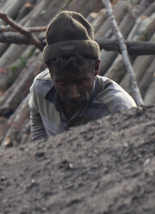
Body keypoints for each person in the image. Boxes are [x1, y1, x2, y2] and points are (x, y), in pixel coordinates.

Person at [29, 11, 136, 141]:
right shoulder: (41, 88)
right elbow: (38, 127)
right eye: (62, 83)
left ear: (96, 68)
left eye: (81, 82)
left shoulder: (118, 108)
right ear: (50, 73)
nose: (73, 95)